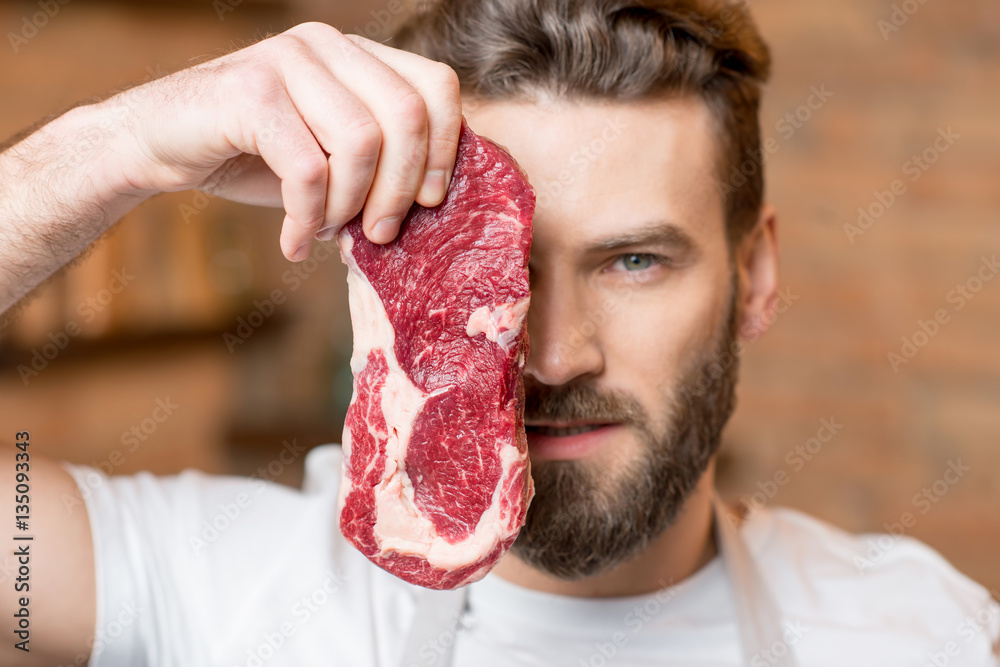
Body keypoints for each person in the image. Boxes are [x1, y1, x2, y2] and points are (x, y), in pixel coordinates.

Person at [1, 0, 998, 665]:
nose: (556, 355)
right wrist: (113, 148)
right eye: (497, 271)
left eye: (634, 261)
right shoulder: (224, 583)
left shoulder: (917, 634)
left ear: (755, 277)